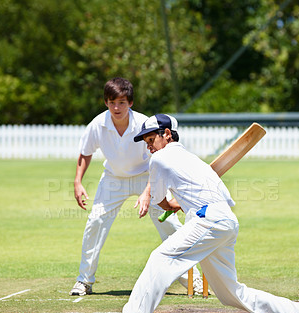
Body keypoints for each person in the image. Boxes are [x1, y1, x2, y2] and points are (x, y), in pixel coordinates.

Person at [86, 113, 299, 313]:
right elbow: (213, 197)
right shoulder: (193, 160)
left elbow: (160, 200)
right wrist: (181, 205)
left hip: (207, 220)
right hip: (225, 220)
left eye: (150, 141)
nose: (149, 148)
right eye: (146, 144)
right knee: (231, 293)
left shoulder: (159, 159)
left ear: (166, 134)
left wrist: (171, 205)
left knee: (161, 258)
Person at [70, 79, 203, 296]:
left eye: (122, 102)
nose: (116, 108)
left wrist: (148, 192)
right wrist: (78, 182)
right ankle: (84, 281)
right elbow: (86, 152)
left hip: (147, 175)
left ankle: (193, 280)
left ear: (130, 102)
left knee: (169, 225)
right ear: (105, 102)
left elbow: (159, 157)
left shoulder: (143, 123)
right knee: (95, 222)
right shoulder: (97, 124)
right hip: (113, 178)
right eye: (112, 102)